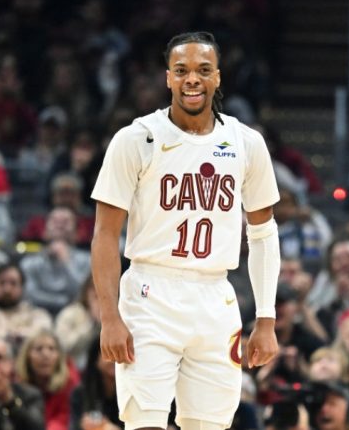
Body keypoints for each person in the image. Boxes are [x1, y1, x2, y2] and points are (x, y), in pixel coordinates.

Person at [90, 31, 281, 430]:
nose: (192, 79)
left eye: (202, 70)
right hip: (149, 293)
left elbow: (263, 233)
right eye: (181, 70)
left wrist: (266, 319)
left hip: (215, 297)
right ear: (168, 79)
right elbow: (105, 235)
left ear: (217, 78)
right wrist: (109, 316)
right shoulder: (135, 138)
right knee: (144, 422)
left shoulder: (247, 144)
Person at [15, 330, 80, 430]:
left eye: (52, 349)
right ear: (27, 356)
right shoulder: (17, 384)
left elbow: (64, 420)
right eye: (38, 349)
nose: (46, 355)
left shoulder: (70, 383)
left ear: (59, 356)